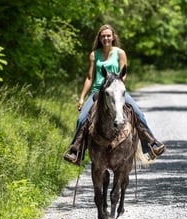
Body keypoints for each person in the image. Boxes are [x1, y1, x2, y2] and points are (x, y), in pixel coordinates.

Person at [64, 24, 165, 166]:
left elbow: (124, 74)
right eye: (103, 36)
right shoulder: (94, 54)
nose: (106, 38)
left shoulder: (120, 53)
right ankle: (76, 152)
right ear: (99, 38)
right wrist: (81, 97)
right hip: (97, 92)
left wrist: (116, 86)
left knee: (138, 113)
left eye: (108, 35)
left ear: (113, 37)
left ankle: (151, 144)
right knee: (81, 119)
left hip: (116, 90)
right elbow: (89, 77)